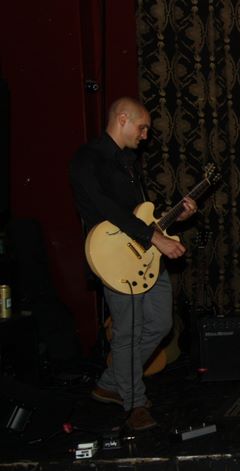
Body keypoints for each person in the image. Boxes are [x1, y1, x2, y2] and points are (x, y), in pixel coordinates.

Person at [70, 97, 197, 431]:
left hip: (143, 253)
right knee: (128, 331)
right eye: (142, 128)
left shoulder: (129, 162)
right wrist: (157, 239)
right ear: (122, 119)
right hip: (113, 258)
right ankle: (134, 404)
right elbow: (108, 210)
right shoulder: (87, 159)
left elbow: (140, 215)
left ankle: (111, 382)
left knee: (161, 323)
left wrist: (174, 218)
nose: (145, 136)